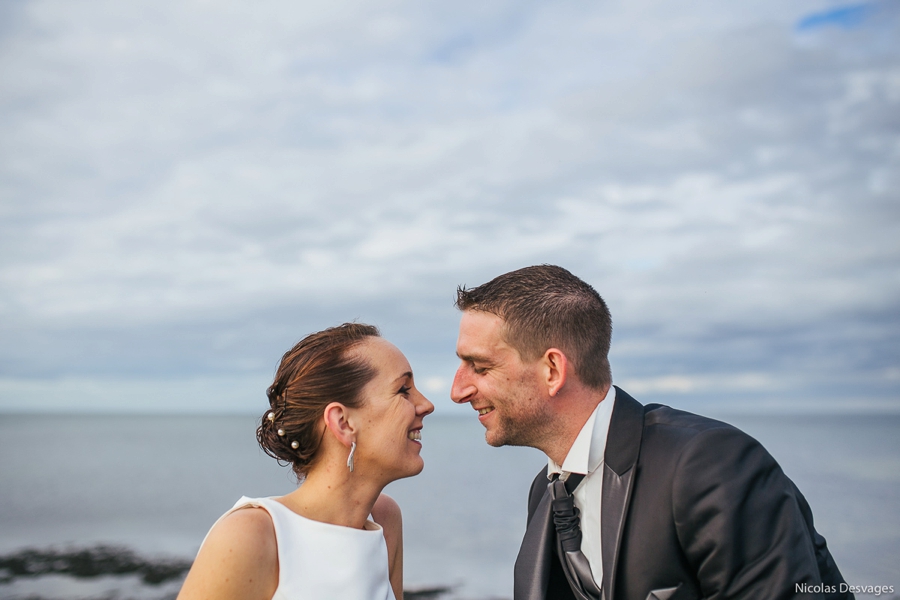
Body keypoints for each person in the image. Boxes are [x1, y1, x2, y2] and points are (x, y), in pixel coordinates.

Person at [450, 265, 851, 600]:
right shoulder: (545, 492)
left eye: (480, 367)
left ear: (552, 370)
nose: (457, 391)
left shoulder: (709, 465)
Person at [178, 323, 434, 600]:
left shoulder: (384, 517)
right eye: (404, 390)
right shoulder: (251, 536)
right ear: (343, 423)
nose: (426, 404)